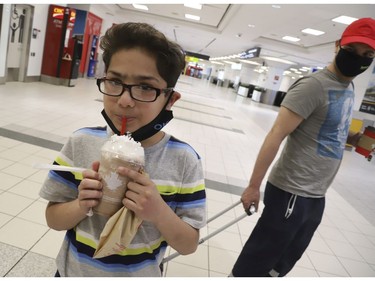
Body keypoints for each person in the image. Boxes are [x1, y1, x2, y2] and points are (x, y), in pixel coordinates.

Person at [39, 22, 206, 277]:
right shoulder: (82, 141)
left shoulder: (184, 160)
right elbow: (53, 218)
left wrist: (159, 212)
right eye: (114, 81)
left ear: (170, 100)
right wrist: (81, 205)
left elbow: (188, 244)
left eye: (145, 87)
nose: (124, 100)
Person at [230, 17, 375, 277]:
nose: (359, 58)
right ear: (337, 45)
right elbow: (275, 135)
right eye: (352, 50)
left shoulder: (348, 86)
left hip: (316, 194)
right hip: (291, 191)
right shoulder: (312, 86)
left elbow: (332, 128)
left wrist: (354, 139)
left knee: (284, 260)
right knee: (259, 258)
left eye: (368, 54)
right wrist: (253, 186)